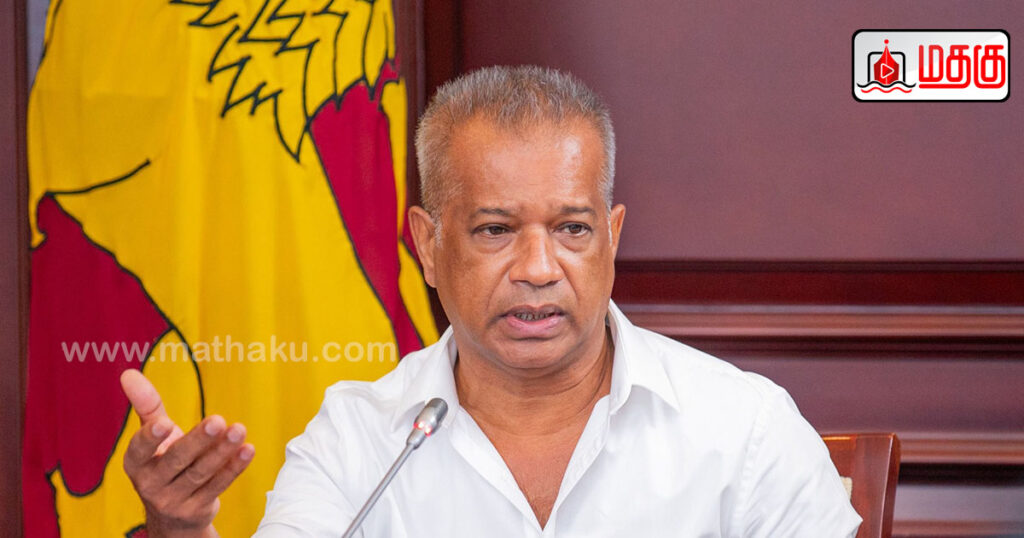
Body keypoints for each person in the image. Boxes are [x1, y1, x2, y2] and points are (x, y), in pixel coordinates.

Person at [121, 65, 861, 537]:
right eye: (496, 230)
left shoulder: (743, 428)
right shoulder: (361, 438)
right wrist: (180, 529)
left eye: (572, 230)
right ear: (427, 245)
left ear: (611, 238)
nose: (538, 269)